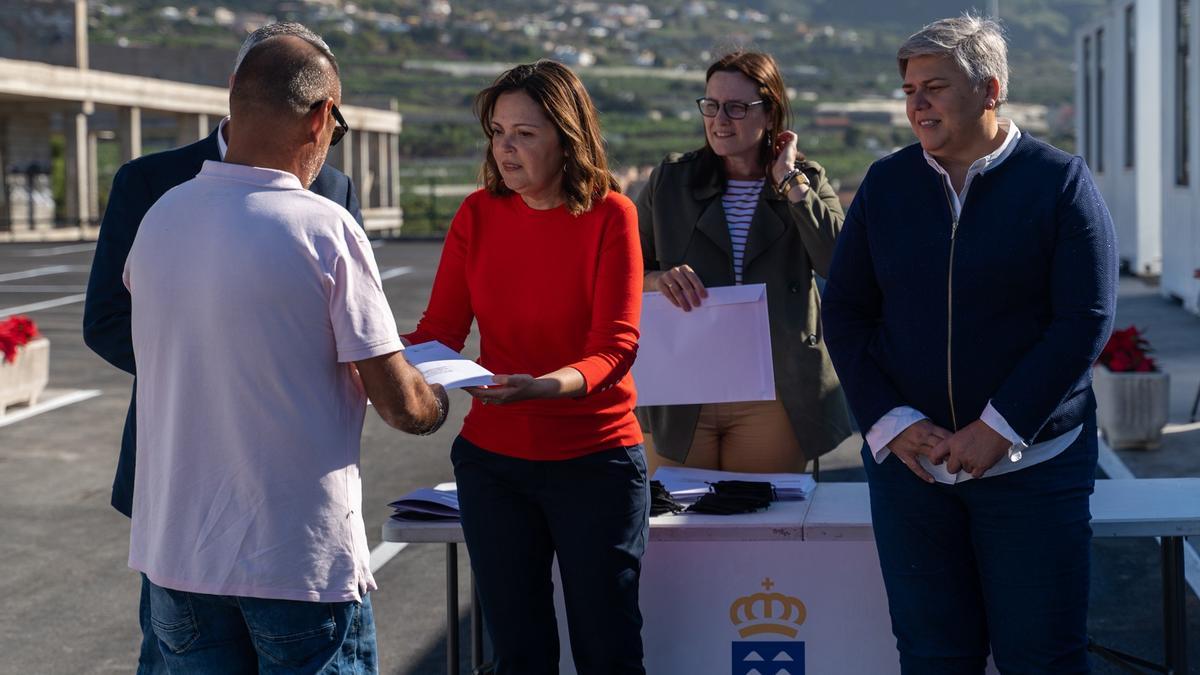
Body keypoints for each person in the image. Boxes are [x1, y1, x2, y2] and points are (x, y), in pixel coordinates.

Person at [123, 34, 447, 673]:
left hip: (178, 557)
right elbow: (398, 403)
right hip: (296, 561)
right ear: (322, 115)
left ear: (233, 100)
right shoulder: (324, 227)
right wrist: (434, 399)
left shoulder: (161, 216)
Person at [821, 15, 1117, 674]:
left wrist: (1000, 425)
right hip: (914, 474)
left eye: (934, 86)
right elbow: (844, 313)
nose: (916, 103)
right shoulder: (886, 185)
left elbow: (1084, 318)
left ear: (990, 90)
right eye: (908, 89)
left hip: (1034, 469)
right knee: (933, 658)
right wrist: (894, 423)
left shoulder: (1059, 182)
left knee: (1042, 658)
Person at [81, 22, 361, 672]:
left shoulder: (334, 188)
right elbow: (104, 317)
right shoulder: (148, 180)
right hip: (183, 477)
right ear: (239, 90)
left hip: (292, 486)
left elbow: (343, 323)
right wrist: (214, 360)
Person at [402, 60, 648, 674]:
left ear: (568, 139)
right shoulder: (476, 215)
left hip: (596, 462)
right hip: (495, 467)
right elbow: (438, 335)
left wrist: (546, 387)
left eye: (524, 134)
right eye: (497, 132)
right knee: (519, 655)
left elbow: (615, 349)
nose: (505, 149)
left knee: (608, 651)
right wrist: (364, 351)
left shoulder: (612, 215)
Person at [636, 51, 851, 474]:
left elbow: (838, 262)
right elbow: (621, 270)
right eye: (711, 105)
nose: (720, 119)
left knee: (764, 528)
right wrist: (659, 279)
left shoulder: (804, 179)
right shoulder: (670, 181)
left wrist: (789, 181)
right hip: (683, 388)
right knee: (677, 528)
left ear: (769, 113)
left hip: (774, 392)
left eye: (736, 108)